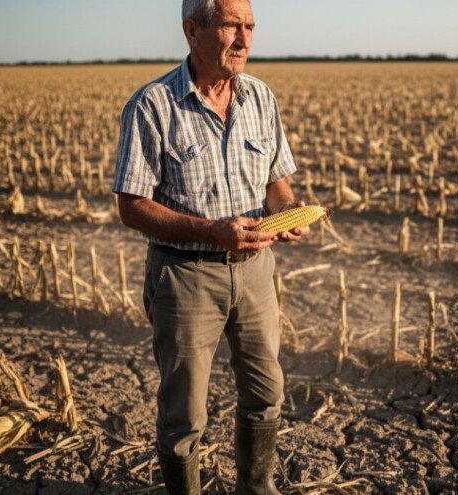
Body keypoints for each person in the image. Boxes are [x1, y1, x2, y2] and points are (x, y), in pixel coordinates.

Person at [112, 0, 307, 492]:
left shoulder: (260, 97)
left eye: (250, 27)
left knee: (266, 394)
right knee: (184, 416)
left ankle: (255, 488)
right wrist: (210, 229)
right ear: (192, 30)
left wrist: (289, 211)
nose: (243, 39)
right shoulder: (152, 104)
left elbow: (276, 182)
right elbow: (132, 206)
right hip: (184, 276)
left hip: (256, 271)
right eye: (230, 26)